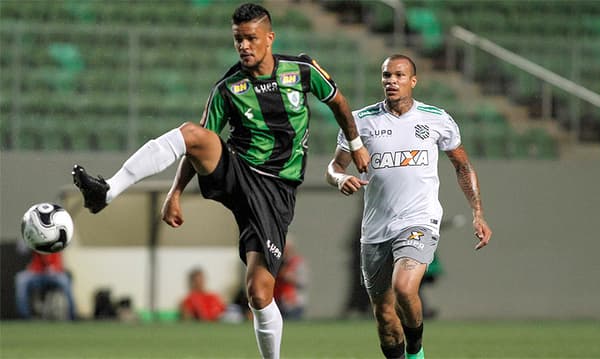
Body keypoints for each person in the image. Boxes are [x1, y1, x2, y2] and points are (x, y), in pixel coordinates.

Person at [71, 3, 369, 358]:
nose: (244, 46)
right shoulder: (229, 87)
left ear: (269, 38)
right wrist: (175, 193)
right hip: (237, 170)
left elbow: (339, 103)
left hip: (276, 192)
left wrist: (355, 145)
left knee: (259, 293)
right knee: (192, 133)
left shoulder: (302, 70)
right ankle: (108, 191)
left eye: (251, 38)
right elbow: (195, 144)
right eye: (237, 39)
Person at [326, 54, 492, 359]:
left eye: (399, 75)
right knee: (386, 319)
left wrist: (477, 212)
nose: (392, 81)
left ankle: (416, 351)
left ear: (413, 81)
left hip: (419, 221)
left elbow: (462, 165)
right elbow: (335, 166)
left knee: (404, 287)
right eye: (387, 75)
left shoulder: (435, 119)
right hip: (375, 230)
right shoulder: (361, 121)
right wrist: (339, 179)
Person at [14, 250, 76, 320]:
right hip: (37, 273)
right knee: (21, 279)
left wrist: (54, 269)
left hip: (55, 273)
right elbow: (22, 249)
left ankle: (72, 316)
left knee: (65, 281)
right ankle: (25, 317)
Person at [273, 240, 307, 319]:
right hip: (277, 302)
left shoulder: (298, 263)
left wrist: (288, 277)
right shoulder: (276, 263)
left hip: (293, 303)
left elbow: (303, 282)